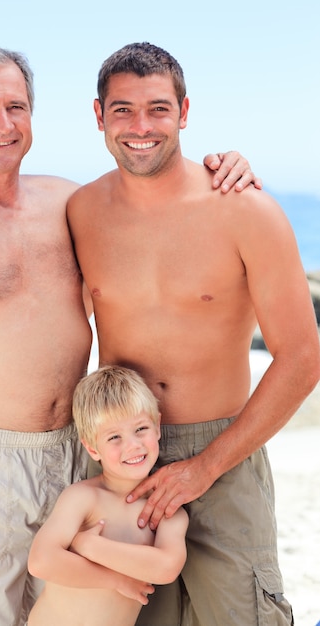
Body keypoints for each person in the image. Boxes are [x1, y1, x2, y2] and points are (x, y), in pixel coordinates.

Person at [0, 44, 257, 625]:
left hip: (79, 457)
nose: (3, 123)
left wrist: (228, 166)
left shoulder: (70, 203)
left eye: (16, 106)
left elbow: (159, 206)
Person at [65, 42, 320, 626]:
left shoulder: (246, 211)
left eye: (158, 108)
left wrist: (205, 467)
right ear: (98, 116)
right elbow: (43, 317)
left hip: (223, 455)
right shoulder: (80, 211)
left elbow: (303, 358)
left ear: (184, 112)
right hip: (120, 458)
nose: (141, 127)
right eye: (123, 109)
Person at [27, 365, 188, 626]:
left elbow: (166, 567)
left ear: (157, 426)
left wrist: (91, 546)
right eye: (114, 437)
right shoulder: (83, 498)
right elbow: (41, 562)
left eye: (140, 429)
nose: (132, 445)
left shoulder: (166, 510)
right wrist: (117, 580)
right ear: (92, 448)